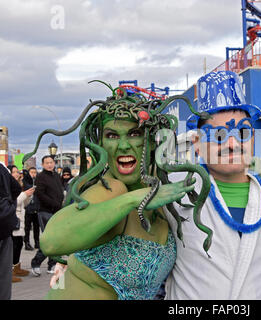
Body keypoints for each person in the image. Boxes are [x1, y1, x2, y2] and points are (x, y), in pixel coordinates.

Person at [23, 80, 210, 300]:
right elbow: (50, 242)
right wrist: (135, 199)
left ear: (151, 139)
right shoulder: (111, 189)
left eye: (134, 134)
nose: (122, 145)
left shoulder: (163, 193)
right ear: (101, 143)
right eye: (112, 136)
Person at [164, 71, 261, 300]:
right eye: (218, 135)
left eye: (242, 132)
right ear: (197, 143)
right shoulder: (175, 190)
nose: (232, 144)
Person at [30, 155, 63, 276]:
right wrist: (54, 203)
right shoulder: (40, 177)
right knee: (50, 239)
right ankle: (36, 262)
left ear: (54, 163)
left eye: (51, 162)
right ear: (43, 164)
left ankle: (52, 264)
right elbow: (40, 195)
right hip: (45, 212)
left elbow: (60, 191)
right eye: (47, 163)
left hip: (57, 212)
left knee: (57, 239)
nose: (49, 164)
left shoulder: (56, 176)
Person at [7, 165, 35, 282]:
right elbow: (11, 201)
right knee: (12, 245)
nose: (17, 174)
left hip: (20, 218)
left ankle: (16, 267)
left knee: (18, 244)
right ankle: (8, 272)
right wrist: (24, 194)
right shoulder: (6, 185)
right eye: (14, 172)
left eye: (17, 172)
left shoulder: (19, 185)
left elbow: (24, 203)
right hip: (12, 219)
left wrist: (29, 195)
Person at [0, 162, 21, 299]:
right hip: (4, 227)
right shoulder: (1, 168)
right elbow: (17, 189)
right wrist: (9, 206)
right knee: (4, 278)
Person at [22, 167, 40, 250]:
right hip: (28, 208)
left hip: (36, 207)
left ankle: (37, 242)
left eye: (35, 172)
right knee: (27, 227)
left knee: (36, 227)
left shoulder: (38, 181)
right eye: (32, 172)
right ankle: (27, 242)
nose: (33, 174)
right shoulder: (25, 181)